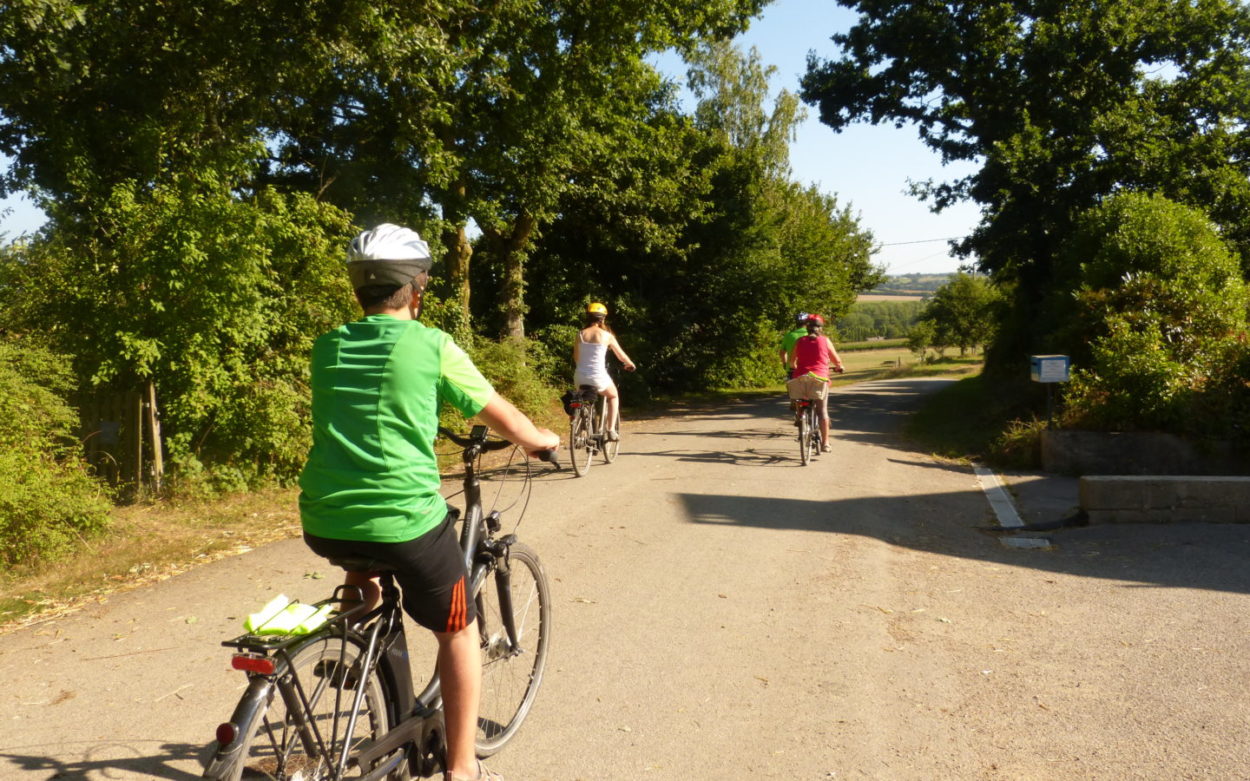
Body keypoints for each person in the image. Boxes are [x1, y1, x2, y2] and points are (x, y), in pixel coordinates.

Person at [298, 223, 560, 781]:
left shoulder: (328, 345)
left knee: (366, 563)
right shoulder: (431, 345)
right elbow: (501, 415)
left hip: (324, 516)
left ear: (357, 289)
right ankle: (461, 769)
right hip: (404, 522)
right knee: (459, 632)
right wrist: (541, 440)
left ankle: (354, 647)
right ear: (418, 287)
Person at [572, 302, 636, 440]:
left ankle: (582, 430)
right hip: (598, 376)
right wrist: (630, 364)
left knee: (582, 399)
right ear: (603, 319)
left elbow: (576, 357)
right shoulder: (607, 335)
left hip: (579, 376)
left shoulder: (580, 334)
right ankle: (610, 430)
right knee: (613, 396)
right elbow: (621, 356)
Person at [789, 314, 845, 453]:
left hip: (801, 378)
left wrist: (795, 367)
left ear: (807, 328)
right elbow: (836, 360)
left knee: (801, 400)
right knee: (822, 411)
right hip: (819, 378)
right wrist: (839, 366)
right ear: (820, 328)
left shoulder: (799, 341)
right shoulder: (825, 341)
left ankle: (801, 418)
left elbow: (792, 362)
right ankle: (826, 443)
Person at [779, 312, 811, 379]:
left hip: (792, 369)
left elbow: (782, 353)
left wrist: (785, 364)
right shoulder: (812, 335)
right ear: (808, 322)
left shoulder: (789, 335)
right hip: (809, 369)